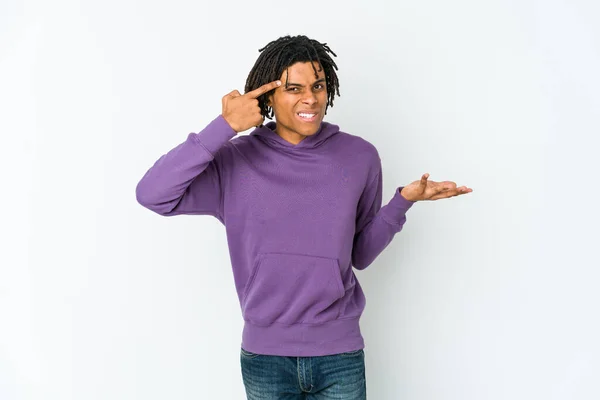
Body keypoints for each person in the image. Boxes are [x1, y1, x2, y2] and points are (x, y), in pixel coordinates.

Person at [136, 35, 472, 400]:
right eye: (293, 88)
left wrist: (402, 202)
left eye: (318, 86)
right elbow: (153, 194)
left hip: (339, 354)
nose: (310, 98)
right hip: (266, 357)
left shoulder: (359, 157)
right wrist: (225, 126)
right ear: (268, 97)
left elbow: (359, 254)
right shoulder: (235, 160)